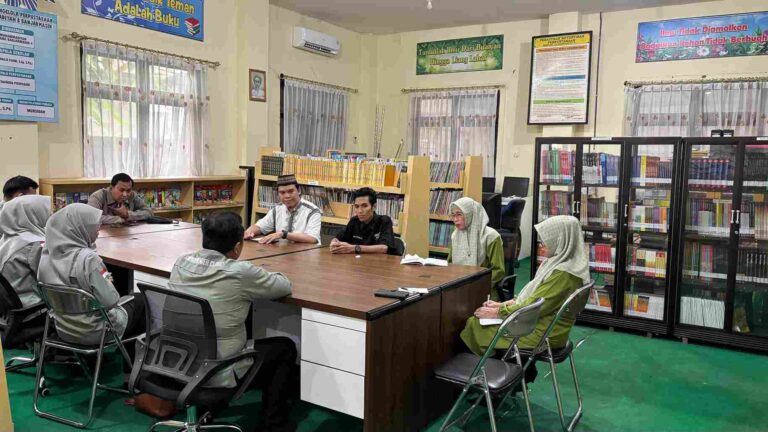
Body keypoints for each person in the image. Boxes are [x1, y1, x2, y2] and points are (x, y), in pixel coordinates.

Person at [168, 211, 297, 432]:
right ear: (237, 247)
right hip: (217, 366)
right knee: (284, 348)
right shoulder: (239, 272)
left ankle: (209, 408)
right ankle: (272, 424)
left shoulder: (181, 262)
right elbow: (284, 286)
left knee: (233, 318)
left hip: (177, 359)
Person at [460, 215, 589, 383]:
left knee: (474, 324)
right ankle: (508, 373)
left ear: (561, 240)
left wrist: (498, 312)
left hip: (542, 333)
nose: (542, 246)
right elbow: (535, 298)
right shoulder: (567, 264)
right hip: (548, 326)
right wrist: (504, 304)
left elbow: (536, 306)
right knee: (479, 322)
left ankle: (495, 380)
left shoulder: (563, 274)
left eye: (545, 241)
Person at [37, 204, 145, 365]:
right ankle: (131, 366)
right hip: (96, 330)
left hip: (64, 328)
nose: (99, 229)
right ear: (80, 228)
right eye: (94, 226)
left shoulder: (45, 256)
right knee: (141, 301)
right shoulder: (90, 260)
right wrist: (107, 280)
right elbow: (111, 300)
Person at [447, 197, 506, 297]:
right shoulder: (455, 235)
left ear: (470, 214)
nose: (455, 219)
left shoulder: (491, 236)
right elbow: (450, 264)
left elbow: (498, 271)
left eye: (459, 215)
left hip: (483, 290)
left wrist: (475, 285)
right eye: (453, 215)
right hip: (458, 287)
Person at [0, 195, 50, 307]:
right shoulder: (35, 244)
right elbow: (50, 279)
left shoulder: (6, 238)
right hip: (31, 308)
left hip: (7, 307)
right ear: (35, 214)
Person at [244, 174, 321, 244]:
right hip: (283, 253)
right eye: (282, 192)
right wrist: (249, 232)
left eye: (291, 191)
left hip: (307, 254)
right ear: (278, 194)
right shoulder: (277, 209)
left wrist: (283, 234)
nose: (287, 196)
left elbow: (312, 239)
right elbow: (260, 226)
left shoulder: (312, 211)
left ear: (299, 190)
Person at [330, 187, 396, 255]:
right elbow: (338, 239)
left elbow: (384, 248)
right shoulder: (354, 221)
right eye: (357, 206)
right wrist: (334, 243)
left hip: (378, 263)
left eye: (364, 206)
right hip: (356, 262)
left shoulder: (384, 221)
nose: (360, 211)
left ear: (374, 207)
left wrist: (354, 248)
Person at [87, 173, 153, 225]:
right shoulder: (98, 196)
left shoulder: (132, 195)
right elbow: (90, 218)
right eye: (121, 190)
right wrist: (119, 219)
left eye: (128, 190)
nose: (125, 194)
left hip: (127, 235)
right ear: (111, 187)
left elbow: (149, 212)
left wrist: (128, 215)